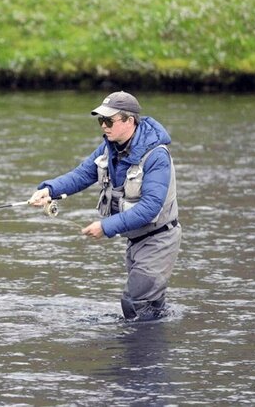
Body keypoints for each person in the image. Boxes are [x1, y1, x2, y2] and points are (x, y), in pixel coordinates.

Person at [28, 91, 181, 321]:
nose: (104, 126)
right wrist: (49, 190)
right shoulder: (110, 148)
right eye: (101, 121)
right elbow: (82, 174)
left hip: (159, 239)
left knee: (135, 303)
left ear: (130, 121)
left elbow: (151, 207)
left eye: (109, 121)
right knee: (151, 308)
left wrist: (106, 226)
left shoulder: (156, 156)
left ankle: (142, 354)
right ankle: (151, 352)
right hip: (136, 240)